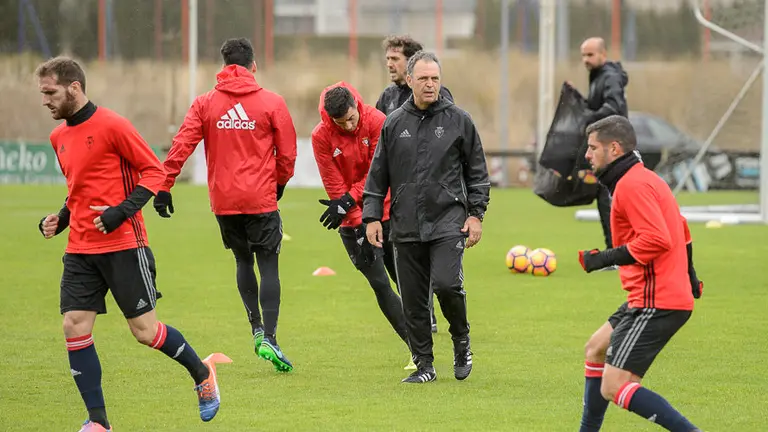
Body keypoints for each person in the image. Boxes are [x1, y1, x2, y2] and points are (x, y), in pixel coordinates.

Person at [35, 56, 228, 431]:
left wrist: (120, 212)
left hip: (124, 244)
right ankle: (98, 421)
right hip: (80, 249)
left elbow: (154, 171)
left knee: (145, 332)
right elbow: (79, 191)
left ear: (74, 87)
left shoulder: (113, 125)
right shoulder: (58, 137)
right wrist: (61, 218)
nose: (45, 101)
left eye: (50, 92)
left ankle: (202, 372)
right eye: (42, 93)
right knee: (74, 325)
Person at [153, 38, 298, 372]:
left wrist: (164, 185)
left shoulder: (205, 103)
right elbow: (288, 153)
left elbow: (182, 144)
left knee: (243, 261)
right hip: (260, 199)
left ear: (223, 66)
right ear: (253, 65)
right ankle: (271, 338)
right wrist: (279, 183)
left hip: (225, 201)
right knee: (269, 266)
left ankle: (255, 328)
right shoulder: (271, 102)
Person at [363, 51, 491, 384]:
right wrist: (372, 216)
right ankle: (425, 365)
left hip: (448, 219)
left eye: (435, 78)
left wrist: (476, 214)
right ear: (409, 81)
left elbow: (477, 172)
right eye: (423, 79)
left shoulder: (459, 120)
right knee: (414, 299)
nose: (430, 84)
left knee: (448, 285)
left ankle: (461, 341)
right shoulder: (394, 123)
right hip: (405, 223)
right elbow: (378, 174)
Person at [577, 115, 704, 432]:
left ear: (614, 149)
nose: (587, 155)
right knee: (596, 348)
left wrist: (602, 258)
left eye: (593, 148)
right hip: (653, 294)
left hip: (657, 300)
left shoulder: (631, 186)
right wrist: (690, 276)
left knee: (614, 386)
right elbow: (682, 229)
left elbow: (657, 239)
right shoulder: (645, 178)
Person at [311, 82, 412, 369]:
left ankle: (429, 331)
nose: (347, 126)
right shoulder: (321, 136)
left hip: (390, 212)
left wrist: (351, 202)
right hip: (353, 220)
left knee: (406, 281)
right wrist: (358, 225)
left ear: (356, 105)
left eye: (351, 119)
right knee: (380, 284)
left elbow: (378, 173)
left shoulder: (378, 121)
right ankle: (417, 349)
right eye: (340, 123)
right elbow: (334, 185)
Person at [376, 34, 454, 333]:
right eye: (388, 59)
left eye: (394, 59)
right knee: (394, 256)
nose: (389, 64)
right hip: (396, 196)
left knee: (429, 257)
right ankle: (420, 310)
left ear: (411, 63)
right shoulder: (386, 98)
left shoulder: (439, 96)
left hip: (432, 196)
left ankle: (432, 313)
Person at [572, 37, 629, 266]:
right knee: (605, 197)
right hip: (608, 145)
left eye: (590, 55)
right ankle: (614, 252)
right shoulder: (598, 76)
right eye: (583, 55)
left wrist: (589, 117)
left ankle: (619, 254)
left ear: (603, 55)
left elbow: (613, 107)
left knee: (611, 198)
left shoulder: (610, 77)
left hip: (615, 146)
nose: (586, 60)